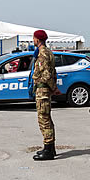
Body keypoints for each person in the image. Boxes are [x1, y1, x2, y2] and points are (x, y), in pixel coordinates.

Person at [31, 30, 60, 161]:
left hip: (42, 90)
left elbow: (47, 74)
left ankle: (48, 150)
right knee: (46, 118)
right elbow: (53, 72)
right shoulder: (49, 52)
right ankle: (50, 148)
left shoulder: (42, 53)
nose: (33, 40)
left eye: (34, 38)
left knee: (44, 119)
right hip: (44, 90)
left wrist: (53, 88)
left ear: (38, 39)